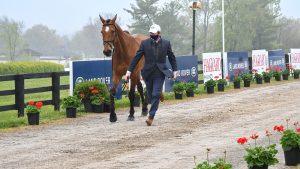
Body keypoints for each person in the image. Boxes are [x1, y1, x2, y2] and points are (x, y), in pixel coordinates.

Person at [125, 24, 178, 126]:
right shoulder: (144, 44)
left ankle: (151, 116)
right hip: (147, 73)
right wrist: (129, 71)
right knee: (150, 95)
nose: (151, 35)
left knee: (155, 94)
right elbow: (136, 58)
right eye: (150, 33)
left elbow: (171, 57)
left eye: (153, 33)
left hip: (160, 72)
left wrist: (175, 70)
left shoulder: (166, 43)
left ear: (158, 33)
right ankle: (158, 95)